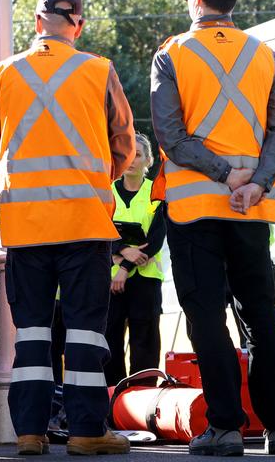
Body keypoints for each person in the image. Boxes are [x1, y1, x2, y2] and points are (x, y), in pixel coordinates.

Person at [151, 0, 275, 456]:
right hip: (251, 209)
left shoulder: (172, 53)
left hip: (195, 209)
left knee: (207, 317)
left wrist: (220, 173)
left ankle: (226, 427)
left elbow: (169, 134)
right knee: (260, 314)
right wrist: (257, 180)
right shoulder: (265, 55)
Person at [0, 0, 135, 456]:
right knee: (85, 331)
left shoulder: (2, 74)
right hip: (84, 223)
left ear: (36, 22)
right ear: (80, 25)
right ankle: (86, 431)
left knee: (31, 330)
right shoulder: (99, 70)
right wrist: (92, 179)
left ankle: (30, 432)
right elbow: (124, 145)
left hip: (26, 226)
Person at [105, 133, 167, 386]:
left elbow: (156, 237)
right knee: (110, 342)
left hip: (145, 279)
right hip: (109, 281)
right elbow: (99, 230)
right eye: (127, 155)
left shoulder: (157, 192)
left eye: (138, 155)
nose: (131, 160)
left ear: (148, 161)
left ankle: (143, 399)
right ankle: (113, 401)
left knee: (146, 343)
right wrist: (122, 252)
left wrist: (125, 265)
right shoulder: (106, 192)